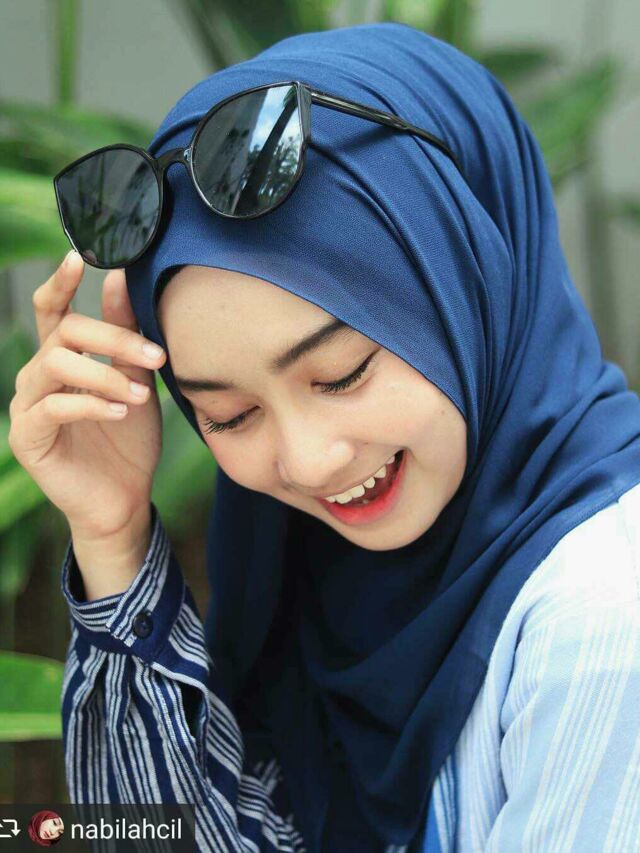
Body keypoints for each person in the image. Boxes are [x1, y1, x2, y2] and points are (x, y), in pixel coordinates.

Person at [9, 21, 640, 853]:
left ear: (469, 283)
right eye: (229, 415)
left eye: (342, 373)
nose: (309, 460)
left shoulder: (603, 624)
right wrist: (112, 537)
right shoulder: (314, 576)